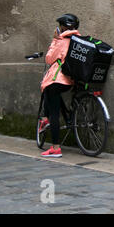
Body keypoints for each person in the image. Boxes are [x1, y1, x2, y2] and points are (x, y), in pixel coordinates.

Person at [38, 13, 80, 158]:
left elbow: (49, 59)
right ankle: (51, 119)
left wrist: (55, 40)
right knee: (54, 96)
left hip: (57, 80)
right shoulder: (78, 40)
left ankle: (55, 148)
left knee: (54, 113)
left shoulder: (61, 40)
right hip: (70, 81)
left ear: (62, 27)